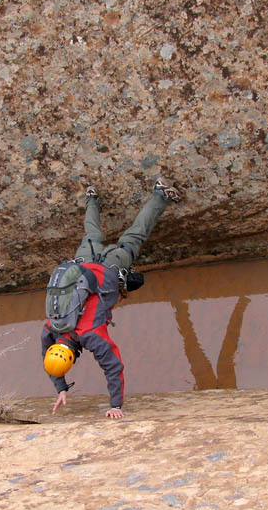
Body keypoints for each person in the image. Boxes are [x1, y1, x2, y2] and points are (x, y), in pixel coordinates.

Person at [41, 176, 181, 419]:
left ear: (73, 357)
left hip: (111, 268)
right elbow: (47, 355)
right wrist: (60, 387)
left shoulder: (91, 335)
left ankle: (161, 193)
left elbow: (113, 367)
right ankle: (91, 197)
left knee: (133, 238)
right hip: (82, 263)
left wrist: (116, 405)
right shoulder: (51, 326)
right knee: (92, 234)